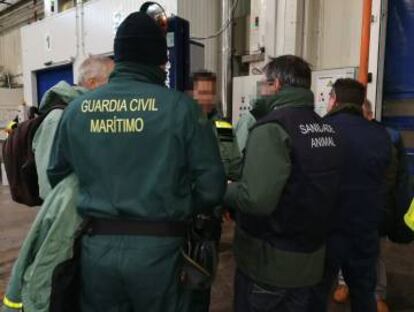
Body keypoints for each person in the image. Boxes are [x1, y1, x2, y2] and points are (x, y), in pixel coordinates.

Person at [47, 11, 225, 312]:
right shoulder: (184, 110)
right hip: (161, 253)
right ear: (160, 61)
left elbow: (57, 176)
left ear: (119, 57)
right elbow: (212, 186)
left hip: (97, 253)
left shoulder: (76, 111)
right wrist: (179, 202)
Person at [224, 55, 343, 311]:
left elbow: (256, 199)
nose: (261, 90)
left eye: (264, 84)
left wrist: (222, 190)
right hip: (312, 263)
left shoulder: (272, 129)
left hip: (270, 268)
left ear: (276, 85)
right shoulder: (325, 129)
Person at [310, 79, 392, 312]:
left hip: (327, 229)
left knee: (317, 291)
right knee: (364, 292)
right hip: (365, 228)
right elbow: (386, 180)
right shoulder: (380, 134)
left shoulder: (321, 129)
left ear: (334, 99)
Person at [332, 99, 413, 312]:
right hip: (347, 204)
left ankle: (377, 294)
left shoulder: (389, 136)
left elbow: (395, 175)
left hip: (374, 204)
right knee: (343, 246)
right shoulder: (344, 135)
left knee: (373, 252)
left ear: (369, 115)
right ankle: (344, 283)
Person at [33, 55, 114, 200]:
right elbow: (47, 185)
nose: (116, 87)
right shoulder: (57, 117)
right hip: (68, 212)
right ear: (92, 82)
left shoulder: (88, 113)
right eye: (112, 81)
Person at [191, 70, 241, 181]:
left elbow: (236, 169)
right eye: (203, 93)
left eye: (211, 93)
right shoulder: (182, 126)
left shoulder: (224, 128)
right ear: (192, 95)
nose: (207, 98)